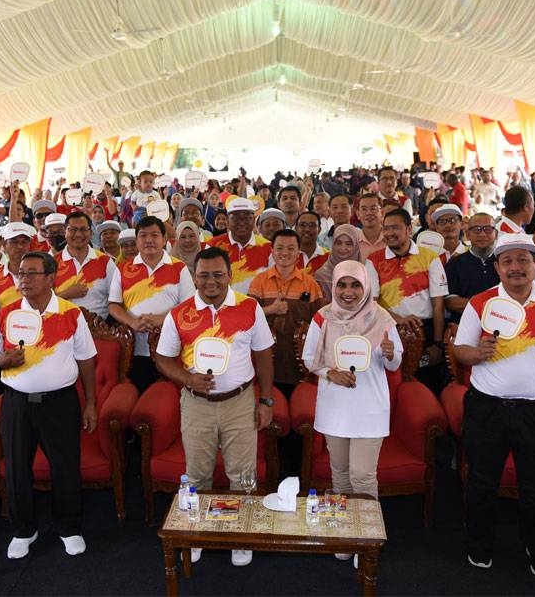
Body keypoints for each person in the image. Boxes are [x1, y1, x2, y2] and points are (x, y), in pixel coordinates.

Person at [453, 233, 535, 578]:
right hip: (486, 408)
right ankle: (480, 545)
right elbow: (459, 350)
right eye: (507, 261)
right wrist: (475, 354)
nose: (515, 267)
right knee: (481, 480)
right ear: (497, 268)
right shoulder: (480, 303)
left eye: (523, 260)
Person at [154, 246, 275, 568]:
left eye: (218, 275)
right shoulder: (179, 313)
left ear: (230, 276)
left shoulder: (250, 308)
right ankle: (196, 534)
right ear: (194, 277)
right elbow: (163, 357)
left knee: (243, 475)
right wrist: (186, 378)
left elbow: (263, 355)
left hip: (240, 401)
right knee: (196, 474)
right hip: (197, 405)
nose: (211, 281)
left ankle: (240, 535)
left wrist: (266, 399)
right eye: (204, 275)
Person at [0, 251, 97, 560]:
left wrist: (91, 404)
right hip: (17, 403)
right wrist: (0, 361)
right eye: (21, 273)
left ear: (50, 278)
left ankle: (68, 527)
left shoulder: (71, 314)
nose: (24, 279)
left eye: (32, 273)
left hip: (59, 403)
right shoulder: (6, 314)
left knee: (65, 467)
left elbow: (87, 360)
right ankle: (23, 529)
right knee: (17, 467)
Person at [303, 260, 401, 510]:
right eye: (342, 285)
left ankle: (366, 541)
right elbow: (309, 357)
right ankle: (344, 538)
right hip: (334, 407)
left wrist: (391, 354)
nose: (348, 292)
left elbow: (394, 364)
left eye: (356, 285)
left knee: (362, 476)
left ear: (366, 286)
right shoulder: (323, 317)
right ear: (334, 287)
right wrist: (330, 373)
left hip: (369, 409)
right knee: (341, 476)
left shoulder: (382, 317)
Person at [248, 229, 323, 475]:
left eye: (291, 248)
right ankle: (275, 472)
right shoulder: (259, 282)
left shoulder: (309, 284)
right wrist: (270, 310)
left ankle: (299, 472)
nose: (285, 253)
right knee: (274, 417)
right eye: (280, 248)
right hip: (268, 360)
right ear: (272, 251)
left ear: (298, 253)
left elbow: (318, 323)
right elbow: (248, 319)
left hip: (300, 363)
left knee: (299, 417)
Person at [108, 216, 195, 393]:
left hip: (172, 348)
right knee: (139, 395)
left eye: (154, 235)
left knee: (169, 397)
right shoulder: (123, 268)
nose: (148, 240)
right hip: (134, 349)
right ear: (137, 240)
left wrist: (161, 319)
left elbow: (189, 306)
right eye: (143, 235)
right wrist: (132, 322)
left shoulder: (179, 268)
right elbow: (113, 305)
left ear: (164, 239)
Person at [365, 209, 448, 394]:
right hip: (387, 332)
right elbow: (371, 303)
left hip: (424, 332)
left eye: (395, 228)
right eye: (386, 228)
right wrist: (397, 319)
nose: (389, 233)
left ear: (409, 229)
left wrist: (437, 344)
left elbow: (438, 304)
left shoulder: (430, 257)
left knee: (424, 382)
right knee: (389, 384)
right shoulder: (374, 260)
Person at [53, 212, 117, 320]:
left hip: (99, 330)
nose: (78, 234)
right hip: (61, 327)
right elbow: (42, 301)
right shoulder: (52, 262)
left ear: (91, 233)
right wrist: (66, 294)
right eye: (73, 229)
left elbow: (116, 299)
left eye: (83, 229)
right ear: (65, 232)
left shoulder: (105, 261)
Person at [206, 198, 272, 294]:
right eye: (235, 218)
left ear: (254, 220)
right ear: (228, 221)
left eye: (247, 218)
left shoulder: (267, 247)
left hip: (258, 307)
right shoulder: (213, 245)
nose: (241, 222)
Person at [445, 211, 500, 317]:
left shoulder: (505, 262)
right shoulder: (455, 263)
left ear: (496, 234)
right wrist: (492, 308)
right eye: (477, 229)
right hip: (463, 325)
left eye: (488, 229)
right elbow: (451, 302)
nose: (482, 234)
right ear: (468, 235)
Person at [0, 222, 35, 309]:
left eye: (24, 242)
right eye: (14, 242)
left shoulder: (41, 271)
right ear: (4, 244)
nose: (20, 246)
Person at [314, 224, 361, 300]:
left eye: (348, 244)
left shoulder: (364, 272)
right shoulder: (322, 275)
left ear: (356, 246)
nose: (343, 248)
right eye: (338, 243)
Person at [294, 211, 329, 275]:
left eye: (312, 225)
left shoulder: (329, 257)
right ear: (296, 229)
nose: (307, 229)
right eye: (303, 225)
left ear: (319, 230)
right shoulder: (289, 255)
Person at [355, 193, 385, 260]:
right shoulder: (353, 242)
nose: (369, 213)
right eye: (364, 209)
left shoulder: (391, 239)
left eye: (373, 208)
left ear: (382, 213)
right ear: (358, 214)